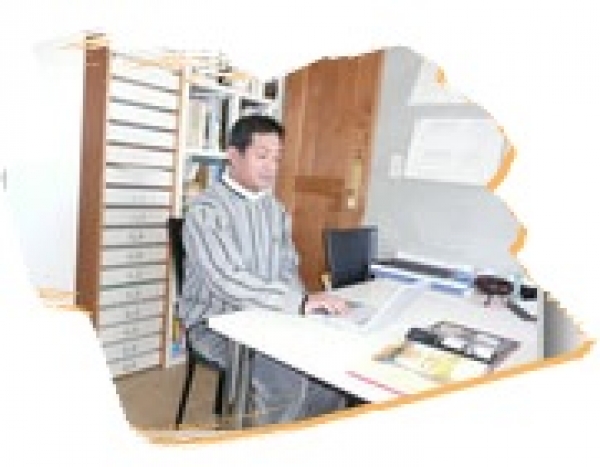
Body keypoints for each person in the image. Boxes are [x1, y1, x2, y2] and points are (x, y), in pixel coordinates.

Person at [179, 114, 349, 426]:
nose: (271, 166)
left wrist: (305, 309)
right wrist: (297, 303)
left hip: (269, 316)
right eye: (262, 156)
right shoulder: (206, 211)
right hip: (216, 323)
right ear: (234, 156)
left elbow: (288, 267)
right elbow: (227, 279)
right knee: (286, 385)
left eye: (277, 158)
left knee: (331, 376)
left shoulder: (275, 209)